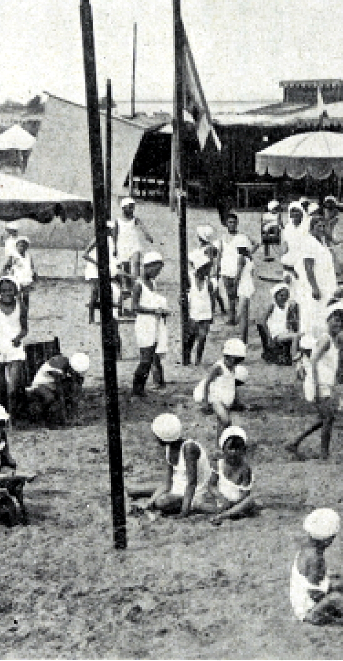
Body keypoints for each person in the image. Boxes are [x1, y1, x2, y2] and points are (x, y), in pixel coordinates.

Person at [284, 308, 343, 460]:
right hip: (318, 383)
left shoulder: (332, 341)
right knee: (328, 418)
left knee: (324, 418)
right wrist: (316, 386)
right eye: (335, 320)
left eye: (341, 322)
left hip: (325, 384)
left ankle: (295, 442)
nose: (338, 324)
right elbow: (313, 361)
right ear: (328, 320)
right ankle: (324, 454)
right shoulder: (325, 340)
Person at [290, 508, 343, 626]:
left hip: (311, 597)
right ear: (327, 540)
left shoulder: (308, 549)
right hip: (309, 611)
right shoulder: (315, 559)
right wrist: (332, 597)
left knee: (342, 584)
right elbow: (313, 592)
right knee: (335, 598)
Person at [129, 414, 211, 517]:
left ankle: (185, 505)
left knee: (161, 502)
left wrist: (184, 512)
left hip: (193, 493)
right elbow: (167, 483)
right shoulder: (169, 447)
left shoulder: (189, 449)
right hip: (176, 487)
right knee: (133, 491)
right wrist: (150, 501)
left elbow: (192, 483)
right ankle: (153, 501)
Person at [0, 277, 28, 413]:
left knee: (13, 387)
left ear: (15, 291)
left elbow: (25, 329)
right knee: (0, 386)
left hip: (14, 347)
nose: (6, 293)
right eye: (3, 290)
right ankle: (3, 415)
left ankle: (12, 416)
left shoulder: (21, 306)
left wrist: (18, 338)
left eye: (10, 290)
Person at [132, 251, 170, 397]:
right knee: (146, 359)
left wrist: (162, 310)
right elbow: (134, 307)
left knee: (152, 357)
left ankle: (144, 387)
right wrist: (154, 311)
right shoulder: (138, 285)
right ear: (148, 267)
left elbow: (154, 301)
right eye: (156, 270)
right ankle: (137, 388)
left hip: (154, 323)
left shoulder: (153, 283)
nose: (157, 274)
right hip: (144, 324)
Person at [294, 217, 340, 336]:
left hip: (326, 282)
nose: (322, 229)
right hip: (316, 284)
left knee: (325, 311)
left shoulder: (322, 241)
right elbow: (308, 268)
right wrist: (314, 287)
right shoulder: (309, 242)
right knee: (312, 313)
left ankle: (323, 338)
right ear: (312, 227)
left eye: (324, 226)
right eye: (319, 226)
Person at [202, 426, 256, 525]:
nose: (234, 452)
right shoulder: (218, 464)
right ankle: (225, 513)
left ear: (243, 450)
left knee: (250, 501)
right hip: (221, 501)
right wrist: (220, 497)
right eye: (230, 448)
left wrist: (233, 503)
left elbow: (245, 494)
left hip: (237, 503)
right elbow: (212, 485)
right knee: (204, 499)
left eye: (237, 449)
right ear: (223, 449)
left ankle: (223, 515)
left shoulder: (245, 469)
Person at [195, 338, 247, 434]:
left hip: (226, 399)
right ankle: (226, 438)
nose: (235, 364)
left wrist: (237, 400)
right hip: (216, 399)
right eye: (234, 360)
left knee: (221, 423)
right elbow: (207, 383)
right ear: (228, 356)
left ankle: (220, 441)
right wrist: (205, 402)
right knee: (226, 421)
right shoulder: (218, 367)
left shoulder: (233, 368)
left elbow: (232, 385)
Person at [24, 353, 90, 426]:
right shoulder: (57, 365)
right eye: (75, 372)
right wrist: (64, 420)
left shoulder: (70, 366)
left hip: (52, 385)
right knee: (50, 398)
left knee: (76, 386)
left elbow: (77, 388)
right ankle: (46, 420)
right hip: (40, 385)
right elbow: (60, 393)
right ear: (72, 367)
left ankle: (68, 415)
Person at [82, 223, 119, 323]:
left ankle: (107, 316)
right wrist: (98, 263)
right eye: (110, 229)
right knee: (95, 292)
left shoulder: (111, 241)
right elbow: (84, 254)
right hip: (94, 269)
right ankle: (91, 318)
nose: (111, 231)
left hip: (105, 269)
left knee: (107, 292)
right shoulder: (97, 239)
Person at [257, 283, 301, 365]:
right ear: (275, 296)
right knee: (295, 336)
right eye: (281, 295)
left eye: (286, 296)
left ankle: (295, 354)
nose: (284, 298)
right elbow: (263, 321)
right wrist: (269, 337)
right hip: (276, 334)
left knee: (300, 334)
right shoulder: (273, 306)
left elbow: (289, 319)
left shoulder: (287, 306)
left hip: (284, 331)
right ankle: (294, 356)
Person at [214, 212, 244, 324]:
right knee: (229, 294)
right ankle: (232, 316)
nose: (232, 224)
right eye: (230, 222)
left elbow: (244, 253)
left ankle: (234, 316)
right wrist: (217, 267)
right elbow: (219, 253)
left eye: (234, 222)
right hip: (225, 269)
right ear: (226, 224)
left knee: (235, 293)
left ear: (237, 223)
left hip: (236, 268)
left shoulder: (241, 238)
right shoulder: (222, 238)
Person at [115, 197, 154, 280]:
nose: (132, 210)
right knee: (125, 266)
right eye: (130, 207)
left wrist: (147, 236)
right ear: (123, 208)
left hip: (134, 244)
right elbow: (115, 235)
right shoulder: (118, 221)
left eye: (133, 208)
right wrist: (115, 248)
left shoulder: (135, 219)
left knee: (136, 262)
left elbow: (143, 228)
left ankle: (137, 282)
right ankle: (127, 284)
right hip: (122, 245)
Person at [187, 249, 214, 365]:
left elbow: (212, 298)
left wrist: (212, 313)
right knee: (191, 337)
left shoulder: (209, 282)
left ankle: (198, 359)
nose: (208, 270)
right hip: (193, 312)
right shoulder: (190, 278)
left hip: (205, 313)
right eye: (206, 268)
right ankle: (187, 357)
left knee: (202, 337)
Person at [234, 235, 256, 342]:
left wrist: (234, 287)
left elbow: (238, 275)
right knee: (245, 315)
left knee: (241, 315)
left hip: (243, 286)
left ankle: (242, 339)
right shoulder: (249, 256)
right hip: (249, 284)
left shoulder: (241, 258)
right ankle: (244, 339)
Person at [4, 237, 35, 308]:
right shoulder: (14, 256)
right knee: (18, 296)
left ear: (27, 247)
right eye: (20, 246)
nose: (22, 248)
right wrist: (8, 276)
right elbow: (7, 266)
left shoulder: (28, 256)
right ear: (16, 246)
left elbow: (31, 266)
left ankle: (25, 312)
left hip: (27, 279)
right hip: (17, 279)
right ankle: (17, 311)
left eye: (24, 246)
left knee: (26, 296)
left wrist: (33, 273)